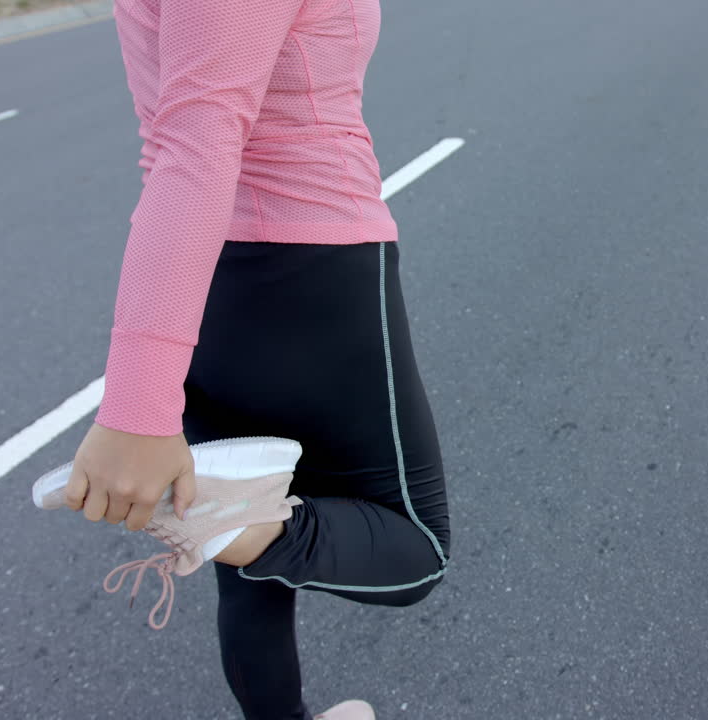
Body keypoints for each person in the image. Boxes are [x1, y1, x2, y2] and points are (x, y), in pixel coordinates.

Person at [40, 0, 451, 718]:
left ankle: (233, 535)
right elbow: (196, 145)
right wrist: (137, 409)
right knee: (413, 548)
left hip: (210, 279)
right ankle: (228, 523)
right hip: (314, 272)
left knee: (250, 564)